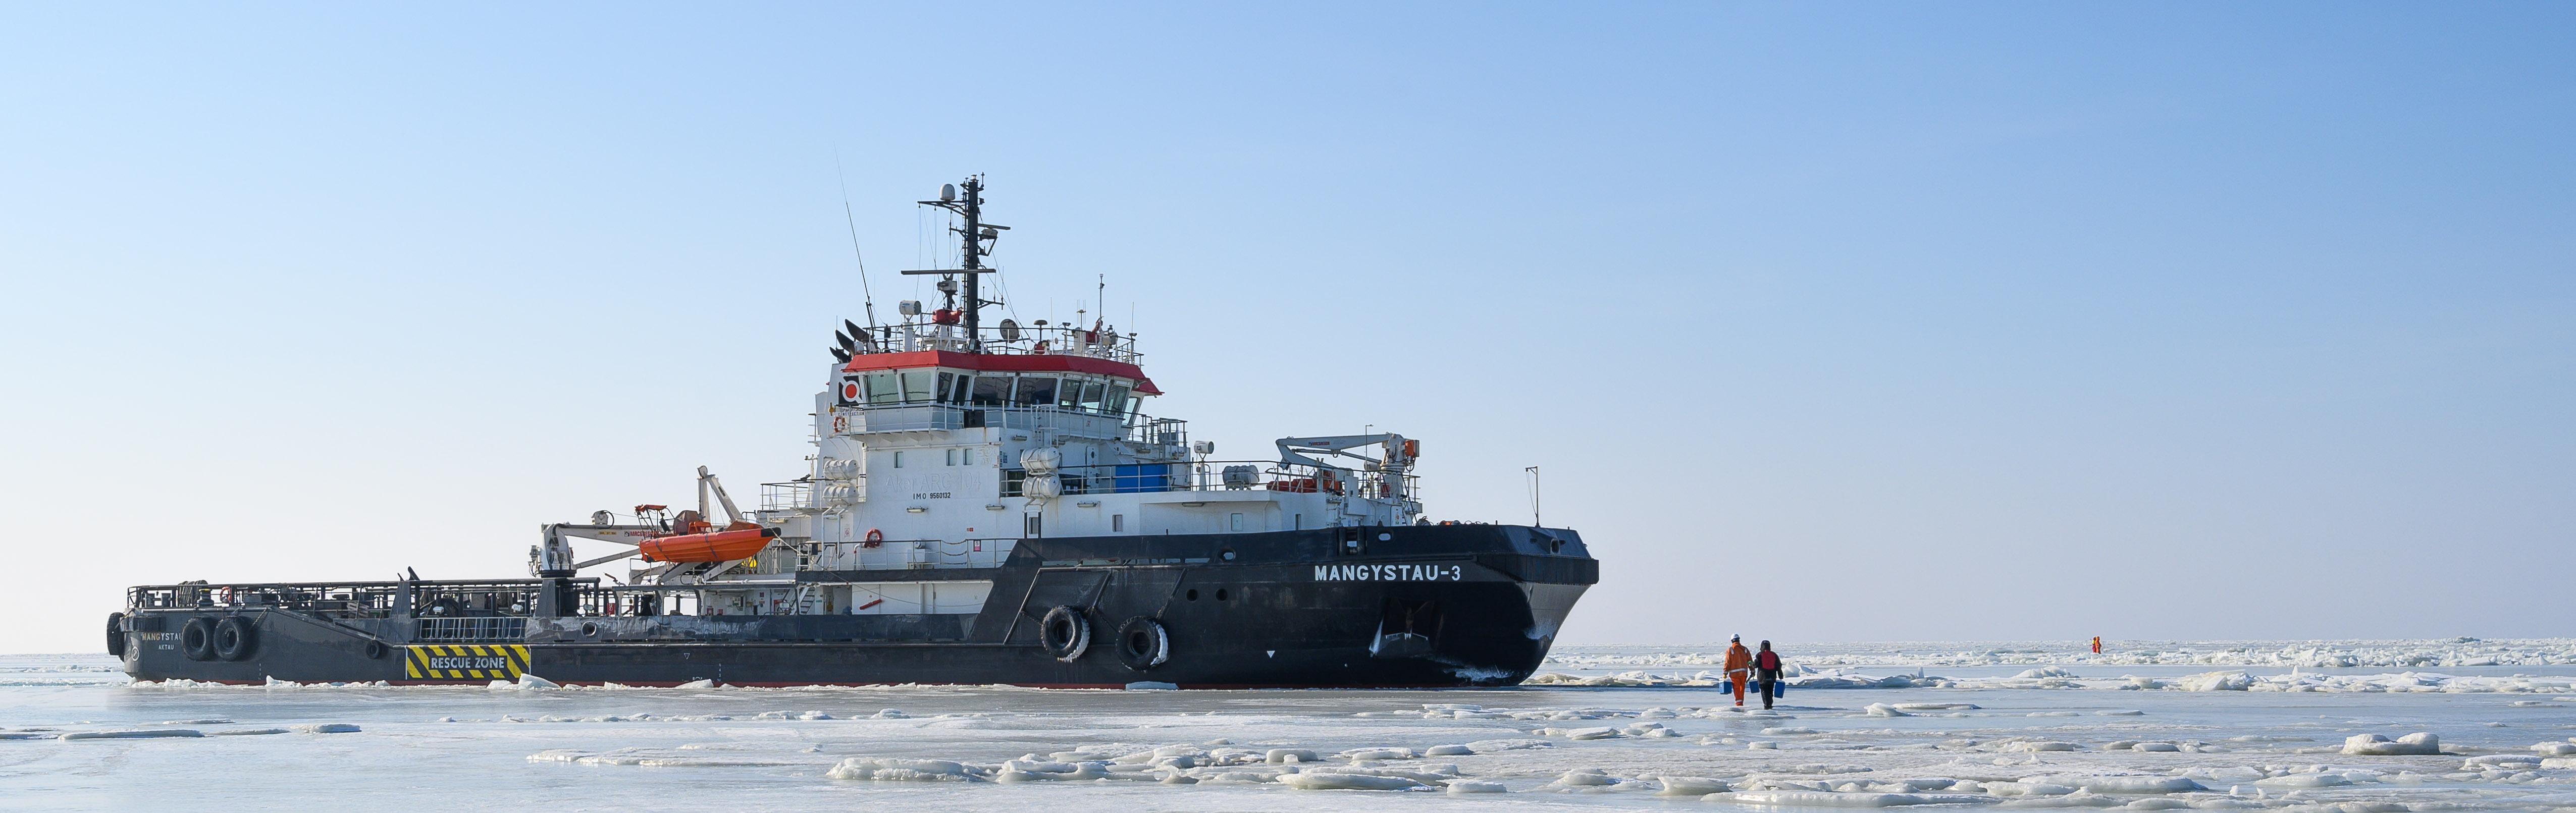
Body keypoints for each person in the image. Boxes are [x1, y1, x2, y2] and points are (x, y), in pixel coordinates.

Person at [1721, 635, 1753, 707]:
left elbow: (1728, 662)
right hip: (1744, 674)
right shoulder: (1745, 650)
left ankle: (1739, 704)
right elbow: (1750, 662)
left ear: (1732, 641)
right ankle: (1741, 703)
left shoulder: (1731, 650)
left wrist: (1725, 673)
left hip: (1734, 675)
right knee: (1742, 689)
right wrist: (1752, 670)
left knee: (1737, 689)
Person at [1754, 640, 1783, 710]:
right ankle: (1770, 703)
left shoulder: (1760, 655)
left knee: (1764, 691)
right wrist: (1780, 675)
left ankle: (1767, 705)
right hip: (1772, 677)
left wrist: (1751, 664)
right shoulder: (1774, 655)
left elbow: (1756, 665)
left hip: (1763, 677)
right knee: (1770, 692)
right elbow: (1778, 666)